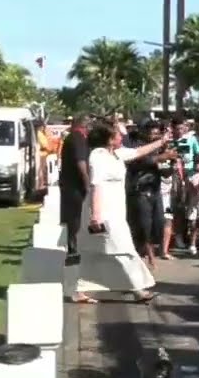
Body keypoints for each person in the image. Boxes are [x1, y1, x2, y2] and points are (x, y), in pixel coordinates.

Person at [69, 120, 169, 303]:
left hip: (115, 210)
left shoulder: (115, 154)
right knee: (124, 249)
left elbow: (138, 152)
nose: (121, 136)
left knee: (95, 253)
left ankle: (80, 289)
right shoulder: (98, 156)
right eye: (117, 134)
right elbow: (96, 185)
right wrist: (96, 215)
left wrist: (161, 141)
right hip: (102, 211)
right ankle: (138, 289)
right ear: (108, 139)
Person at [124, 120, 177, 266]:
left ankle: (149, 252)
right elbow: (137, 161)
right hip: (140, 189)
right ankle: (146, 256)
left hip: (155, 189)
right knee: (143, 225)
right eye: (151, 133)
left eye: (157, 133)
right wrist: (161, 157)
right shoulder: (136, 144)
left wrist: (170, 161)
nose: (154, 136)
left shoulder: (161, 148)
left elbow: (166, 172)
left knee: (158, 223)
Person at [59, 116, 92, 254]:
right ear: (85, 126)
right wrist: (87, 184)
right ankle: (73, 248)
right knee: (75, 218)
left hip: (70, 184)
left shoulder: (73, 137)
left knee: (73, 217)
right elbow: (81, 162)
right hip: (75, 186)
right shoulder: (77, 138)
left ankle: (73, 246)